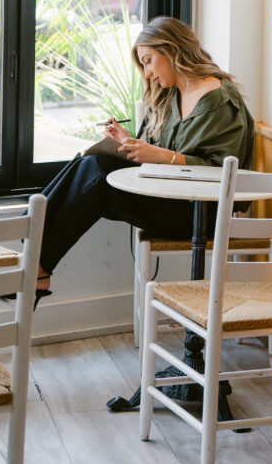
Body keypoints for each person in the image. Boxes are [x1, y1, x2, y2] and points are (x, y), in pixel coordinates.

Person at [32, 15, 254, 305]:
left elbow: (221, 173)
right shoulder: (170, 96)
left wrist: (161, 155)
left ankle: (35, 264)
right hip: (167, 197)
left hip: (199, 214)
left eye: (149, 60)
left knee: (96, 173)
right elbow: (162, 154)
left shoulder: (220, 99)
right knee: (86, 162)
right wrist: (129, 142)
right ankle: (33, 255)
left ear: (173, 49)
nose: (147, 73)